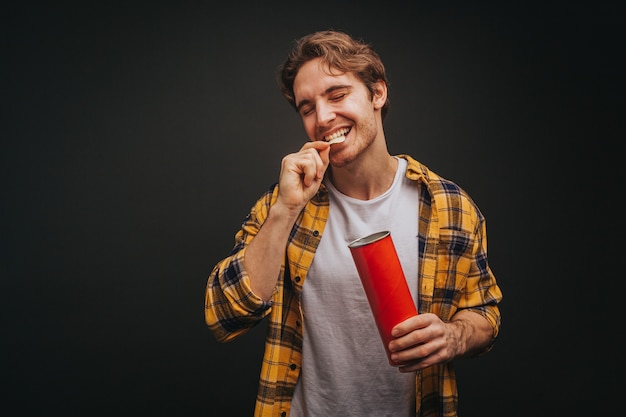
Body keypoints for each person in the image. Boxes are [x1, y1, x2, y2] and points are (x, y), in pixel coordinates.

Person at [205, 29, 503, 417]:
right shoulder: (283, 206)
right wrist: (284, 210)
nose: (323, 117)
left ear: (377, 94)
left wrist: (452, 337)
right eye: (307, 107)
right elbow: (224, 317)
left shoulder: (450, 207)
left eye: (337, 94)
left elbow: (484, 313)